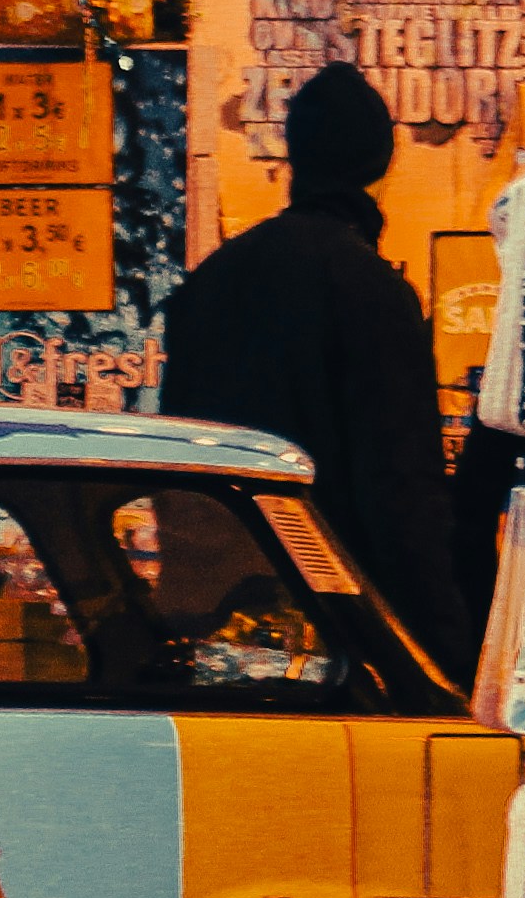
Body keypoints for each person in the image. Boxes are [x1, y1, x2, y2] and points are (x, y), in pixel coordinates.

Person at [157, 61, 474, 669]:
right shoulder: (371, 290)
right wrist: (444, 651)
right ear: (383, 163)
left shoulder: (211, 283)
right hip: (333, 638)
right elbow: (401, 491)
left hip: (210, 625)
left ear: (296, 156)